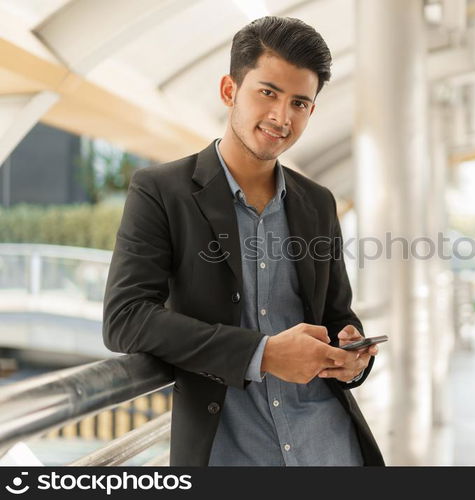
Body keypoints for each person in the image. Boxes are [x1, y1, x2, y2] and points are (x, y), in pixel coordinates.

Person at [102, 16, 384, 466]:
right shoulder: (161, 191)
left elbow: (336, 315)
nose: (281, 117)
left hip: (330, 448)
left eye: (299, 103)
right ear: (230, 91)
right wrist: (264, 354)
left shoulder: (318, 202)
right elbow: (125, 319)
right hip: (232, 454)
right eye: (267, 93)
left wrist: (353, 356)